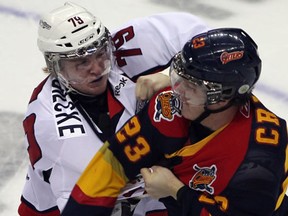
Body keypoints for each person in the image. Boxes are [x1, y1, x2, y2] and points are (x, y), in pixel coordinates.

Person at [61, 28, 288, 216]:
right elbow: (113, 164)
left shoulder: (261, 156)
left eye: (193, 87)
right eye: (179, 78)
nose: (178, 92)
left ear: (225, 96)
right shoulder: (170, 108)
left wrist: (175, 190)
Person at [18, 2, 210, 216]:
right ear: (55, 67)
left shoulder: (123, 52)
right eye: (82, 62)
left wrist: (177, 79)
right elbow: (89, 199)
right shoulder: (55, 129)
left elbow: (205, 40)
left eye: (101, 54)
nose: (97, 69)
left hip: (144, 195)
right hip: (68, 205)